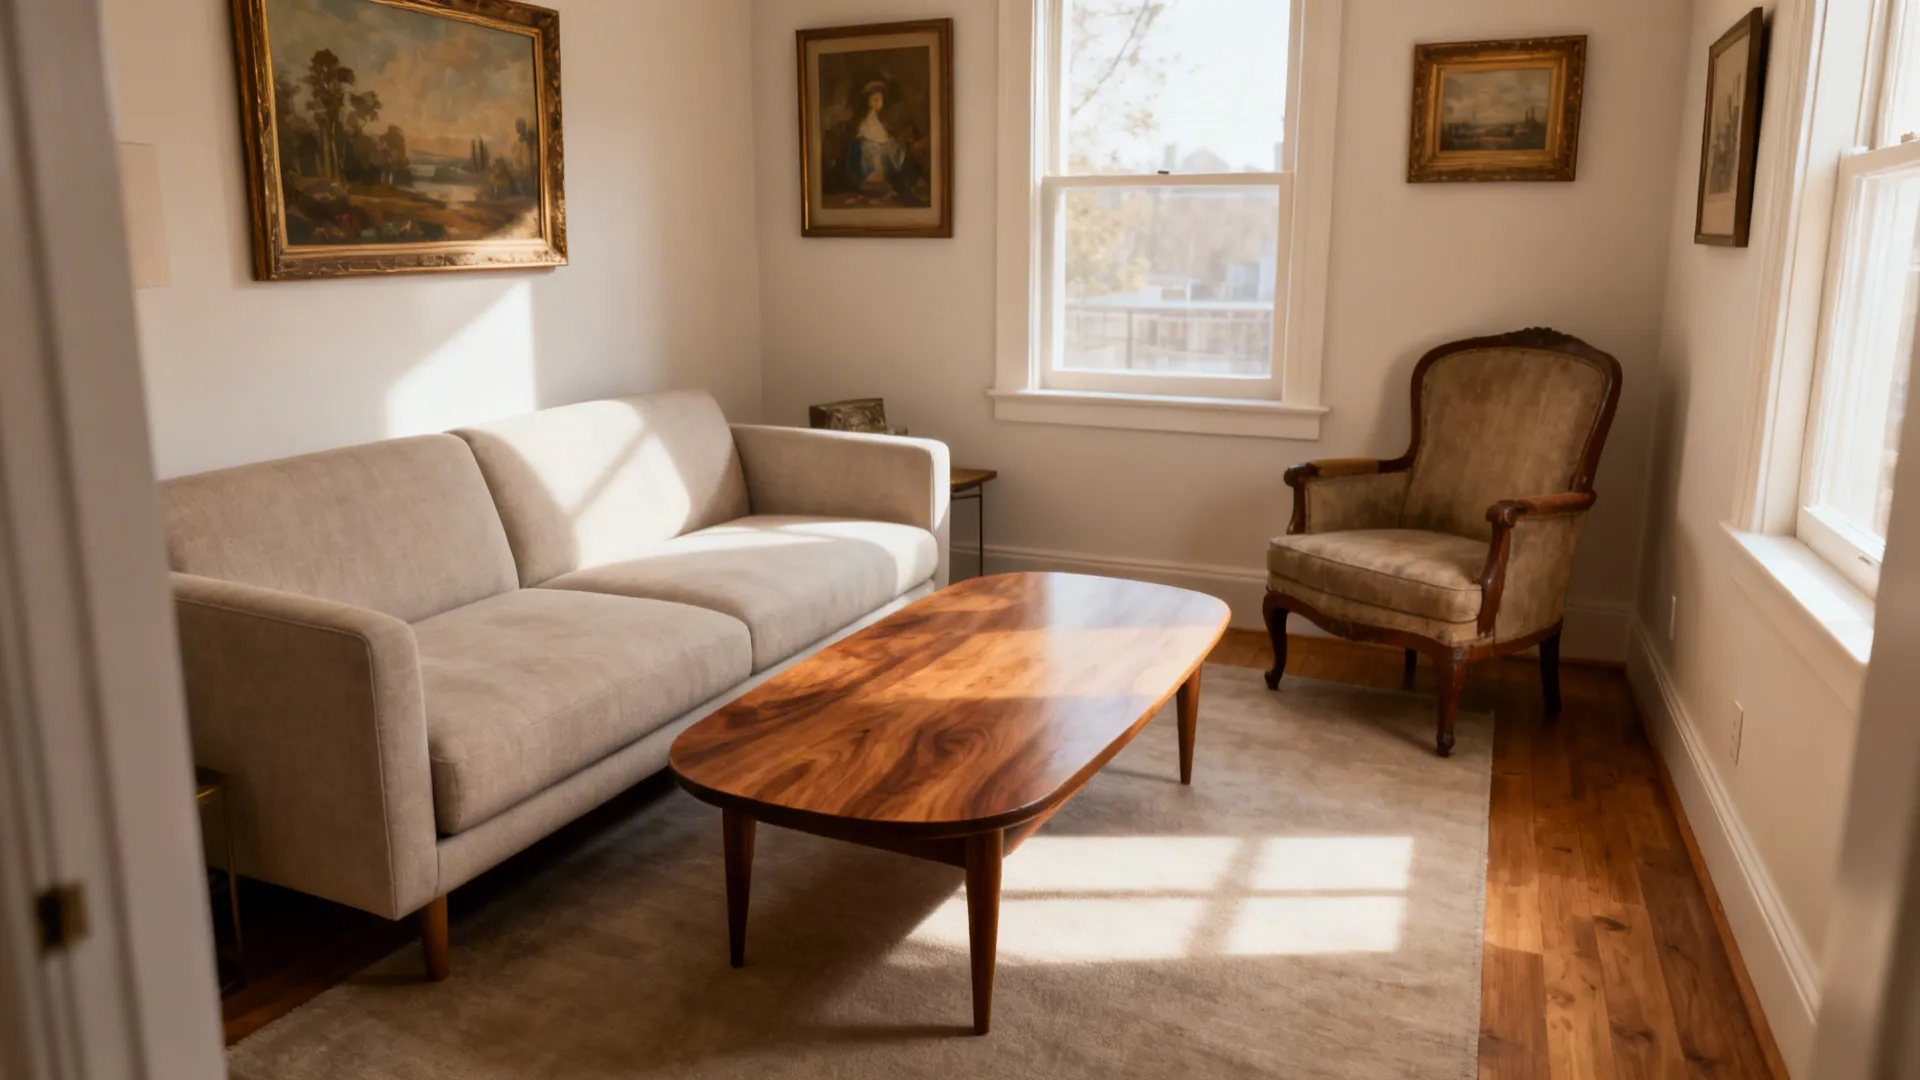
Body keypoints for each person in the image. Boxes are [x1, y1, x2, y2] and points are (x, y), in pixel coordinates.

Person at [843, 79, 923, 202]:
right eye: (876, 99)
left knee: (897, 149)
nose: (880, 103)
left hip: (881, 168)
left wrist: (902, 142)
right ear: (870, 102)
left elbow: (886, 145)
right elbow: (877, 146)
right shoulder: (867, 124)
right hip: (870, 171)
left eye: (881, 99)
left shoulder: (880, 124)